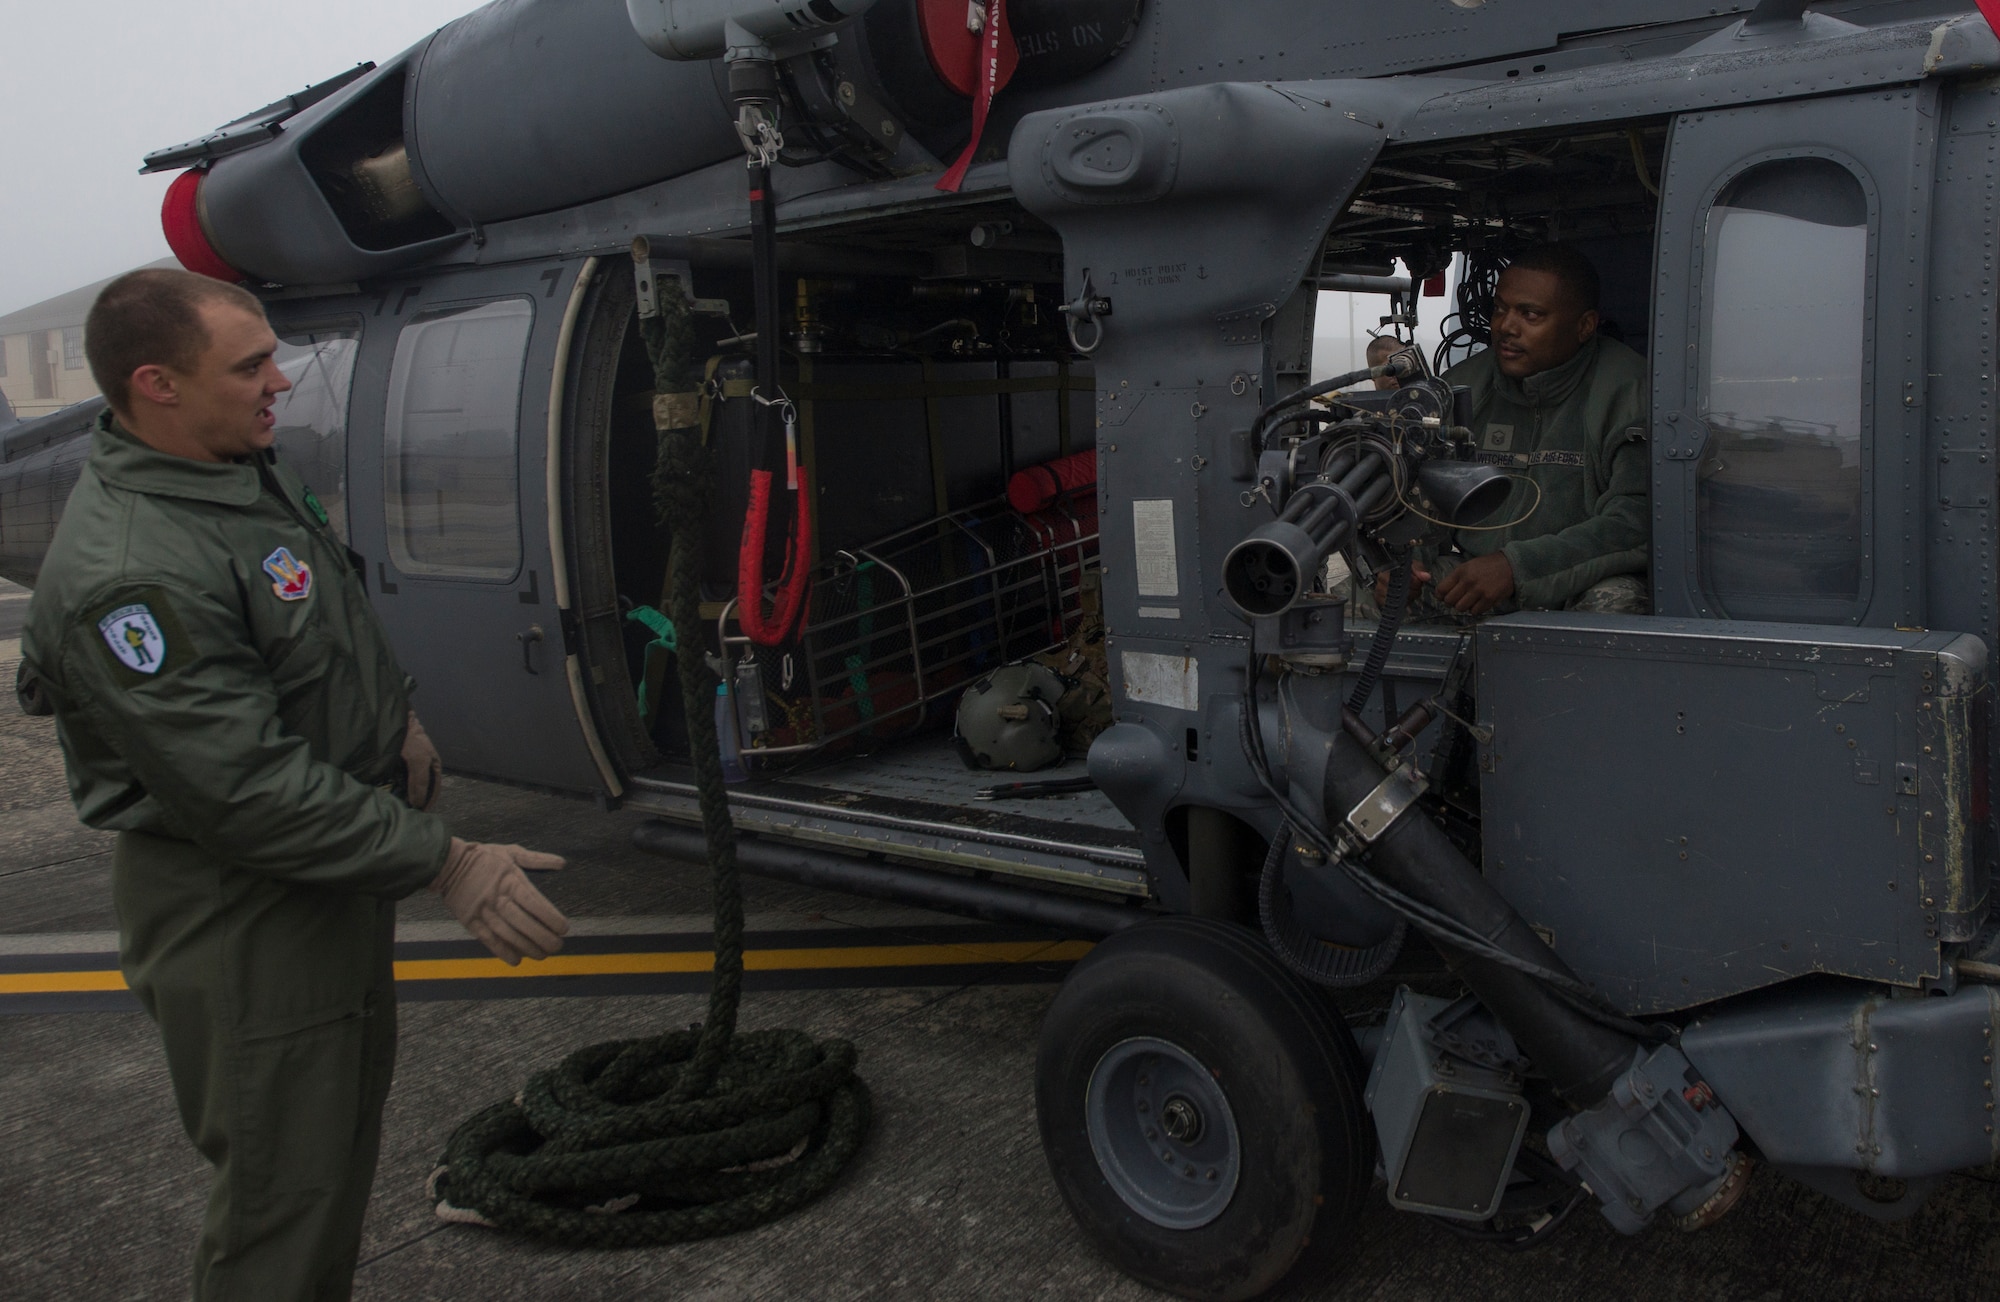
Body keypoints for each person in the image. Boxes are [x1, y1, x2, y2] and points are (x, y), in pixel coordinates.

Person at [20, 268, 571, 1301]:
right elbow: (241, 789)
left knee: (328, 1161)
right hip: (242, 910)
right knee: (286, 1201)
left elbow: (312, 618)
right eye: (249, 365)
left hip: (317, 880)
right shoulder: (134, 572)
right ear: (157, 385)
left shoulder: (228, 471)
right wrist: (445, 860)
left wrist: (390, 714)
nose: (281, 381)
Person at [1371, 243, 1649, 621]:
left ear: (1585, 326)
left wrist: (1516, 567)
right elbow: (1420, 497)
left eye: (1530, 314)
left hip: (1576, 581)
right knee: (1342, 606)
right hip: (1472, 576)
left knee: (1615, 602)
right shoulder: (1464, 386)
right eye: (1499, 309)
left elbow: (1634, 521)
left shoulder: (1629, 392)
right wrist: (1401, 567)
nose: (1505, 327)